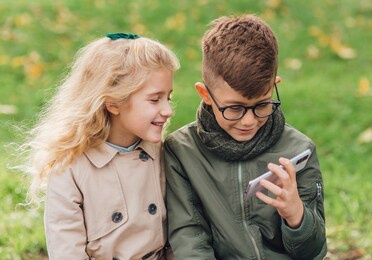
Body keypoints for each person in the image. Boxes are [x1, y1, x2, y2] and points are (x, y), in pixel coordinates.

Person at [164, 15, 327, 259]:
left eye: (261, 105)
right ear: (205, 94)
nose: (249, 121)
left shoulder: (298, 149)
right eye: (234, 108)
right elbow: (189, 235)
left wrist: (297, 216)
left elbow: (313, 251)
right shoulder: (182, 151)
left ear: (274, 86)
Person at [21, 32, 180, 259]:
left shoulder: (164, 154)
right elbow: (67, 250)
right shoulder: (69, 168)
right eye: (155, 99)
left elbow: (182, 232)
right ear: (114, 103)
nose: (168, 110)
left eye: (168, 98)